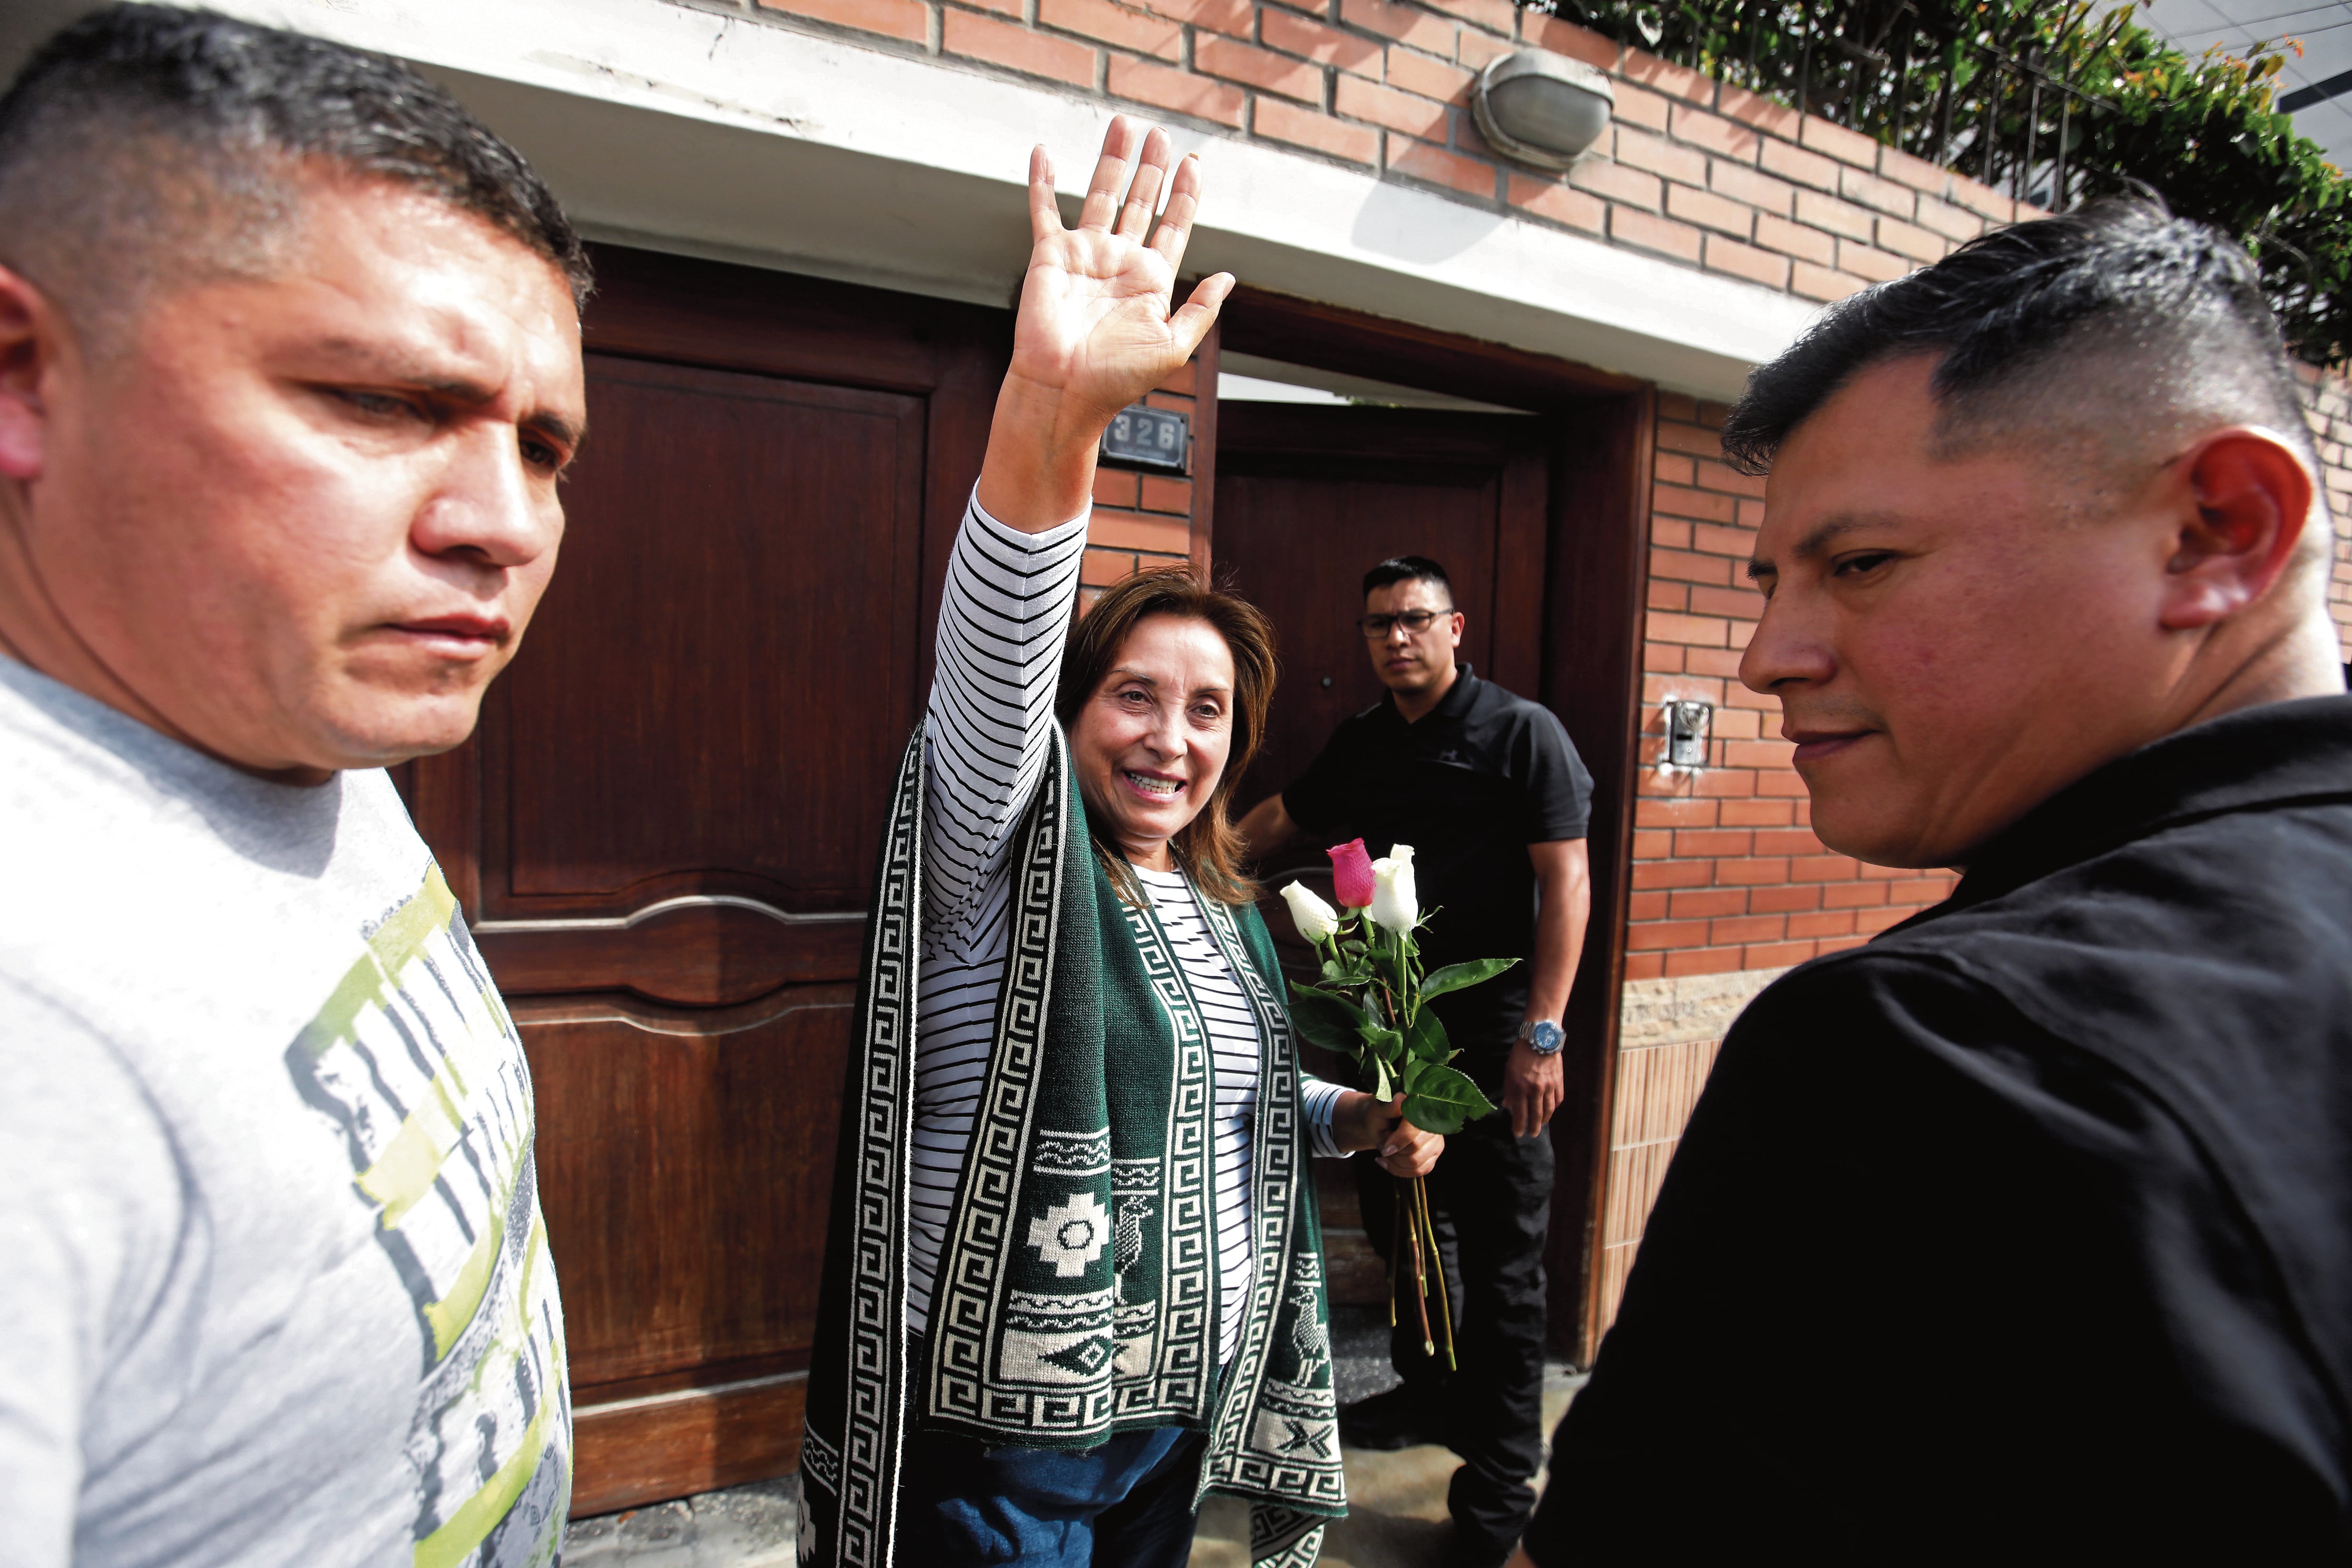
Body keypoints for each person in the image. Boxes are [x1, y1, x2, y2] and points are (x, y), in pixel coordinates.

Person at [1511, 199, 2352, 1564]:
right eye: (1772, 579)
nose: (1767, 655)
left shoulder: (1943, 1050)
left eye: (1862, 565)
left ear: (2219, 531)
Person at [797, 118, 1443, 1568]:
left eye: (1207, 709)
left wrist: (1356, 1119)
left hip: (1179, 1404)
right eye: (1134, 696)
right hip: (1012, 1424)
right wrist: (1054, 417)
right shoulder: (999, 851)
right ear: (1069, 715)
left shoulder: (1220, 904)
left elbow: (1238, 1089)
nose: (1172, 736)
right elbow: (998, 657)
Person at [0, 8, 590, 1565]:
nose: (505, 524)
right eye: (388, 404)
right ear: (21, 375)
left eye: (544, 448)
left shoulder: (304, 727)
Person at [1237, 558, 1593, 1568]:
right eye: (1380, 624)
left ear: (1454, 626)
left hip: (1494, 1040)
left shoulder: (1522, 733)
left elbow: (1566, 882)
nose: (1397, 638)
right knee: (1401, 1226)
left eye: (1415, 620)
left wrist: (1545, 1031)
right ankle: (1425, 1393)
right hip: (1391, 1028)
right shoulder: (1365, 741)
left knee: (1503, 1260)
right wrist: (1187, 856)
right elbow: (1284, 821)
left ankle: (1496, 1495)